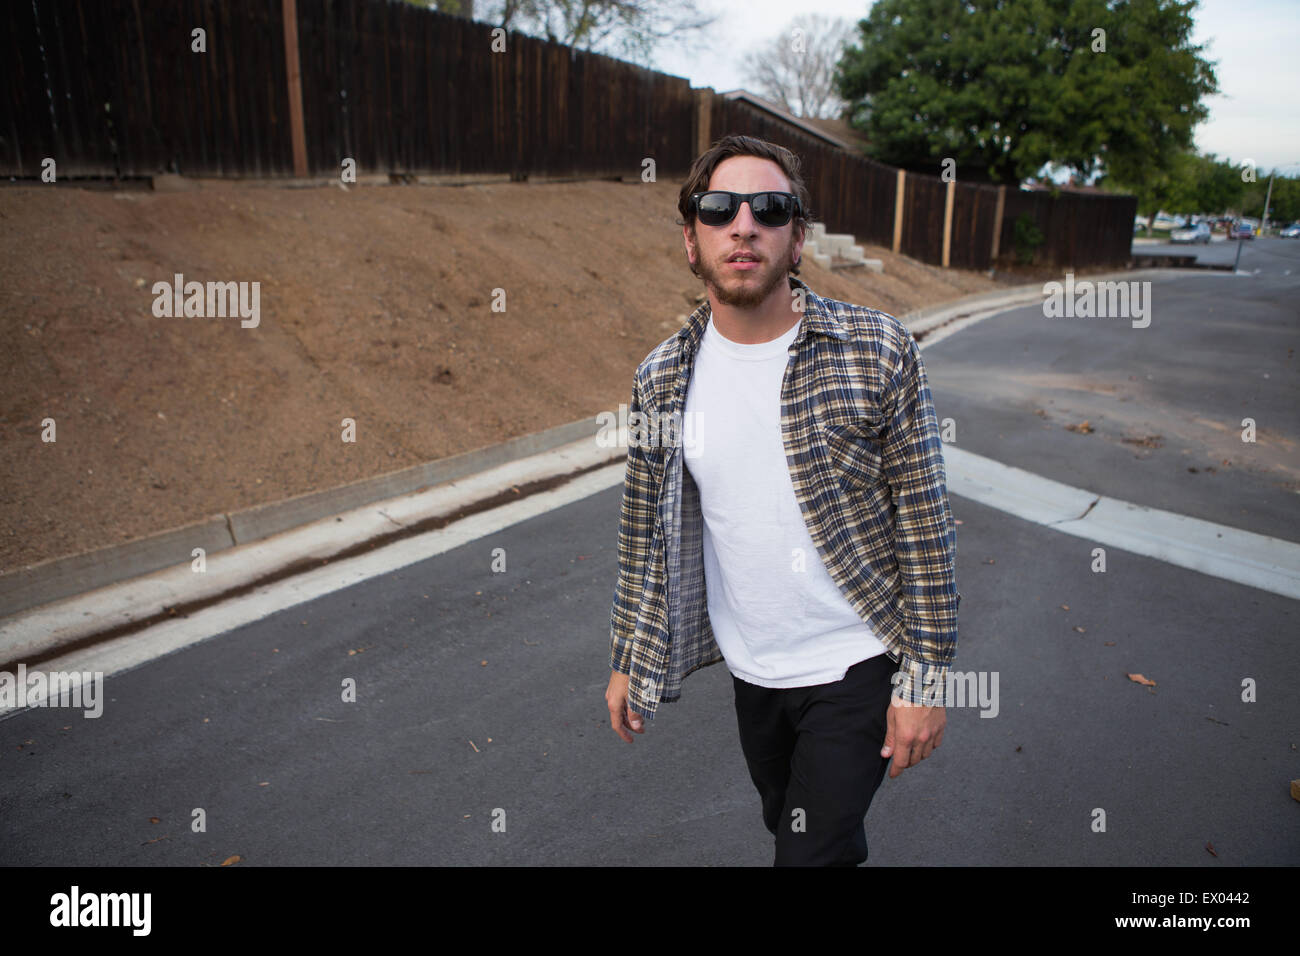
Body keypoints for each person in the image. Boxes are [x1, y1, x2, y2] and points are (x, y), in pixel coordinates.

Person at [604, 134, 960, 865]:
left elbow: (925, 527)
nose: (744, 225)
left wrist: (924, 680)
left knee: (807, 856)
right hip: (753, 667)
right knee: (795, 829)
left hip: (857, 660)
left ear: (797, 240)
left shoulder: (877, 350)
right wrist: (627, 654)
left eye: (770, 208)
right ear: (690, 240)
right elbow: (644, 531)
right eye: (718, 209)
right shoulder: (661, 379)